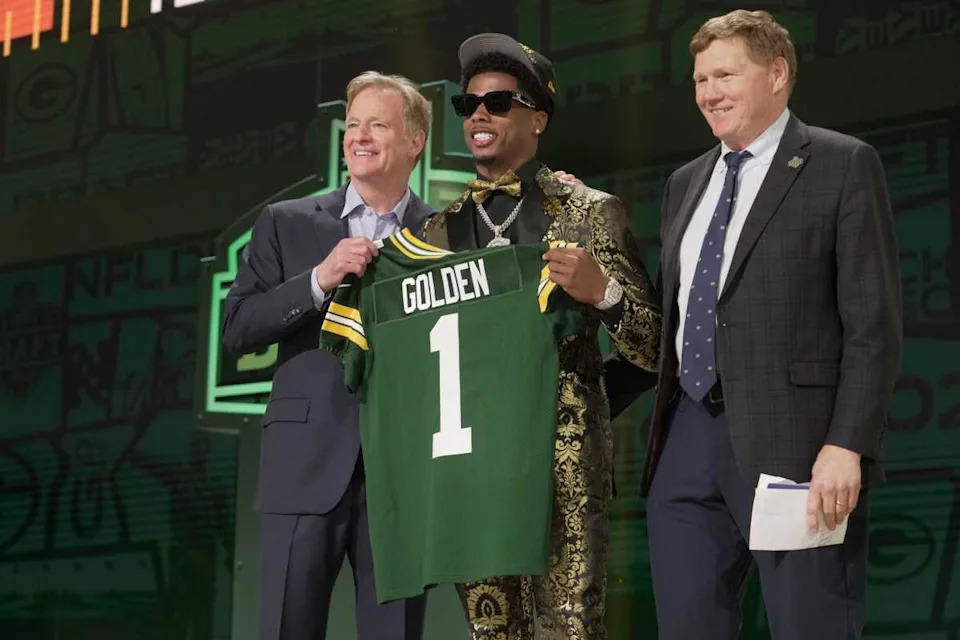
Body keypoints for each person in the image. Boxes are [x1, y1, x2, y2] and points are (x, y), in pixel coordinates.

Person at [642, 10, 901, 640]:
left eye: (725, 75)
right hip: (685, 442)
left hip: (800, 449)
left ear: (777, 74)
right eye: (700, 80)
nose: (709, 93)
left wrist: (847, 443)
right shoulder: (684, 183)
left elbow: (872, 325)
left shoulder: (841, 164)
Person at [422, 33, 662, 639]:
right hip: (472, 471)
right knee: (494, 635)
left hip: (565, 471)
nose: (478, 114)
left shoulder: (589, 212)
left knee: (568, 631)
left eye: (498, 102)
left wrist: (604, 294)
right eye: (468, 104)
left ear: (538, 118)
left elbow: (654, 349)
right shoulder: (433, 235)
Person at [221, 71, 432, 640]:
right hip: (303, 465)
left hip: (403, 473)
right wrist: (319, 279)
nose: (359, 136)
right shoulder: (286, 223)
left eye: (377, 125)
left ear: (415, 141)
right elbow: (237, 327)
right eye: (353, 125)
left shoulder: (443, 233)